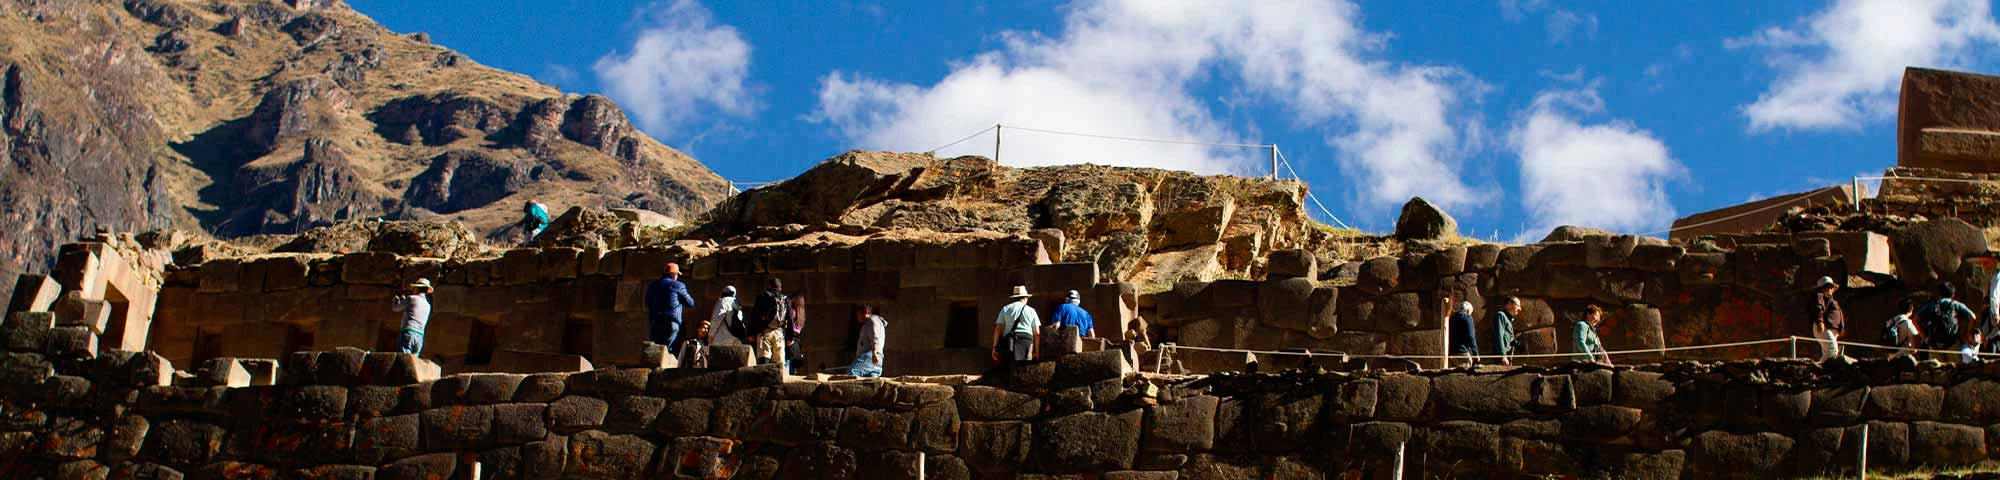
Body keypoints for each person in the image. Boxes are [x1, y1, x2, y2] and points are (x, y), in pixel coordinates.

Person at [644, 263, 697, 352]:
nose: (677, 277)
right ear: (673, 274)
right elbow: (690, 303)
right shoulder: (678, 285)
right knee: (668, 350)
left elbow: (647, 303)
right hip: (671, 322)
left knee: (655, 351)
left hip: (655, 321)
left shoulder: (653, 285)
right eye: (677, 274)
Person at [1920, 283, 1978, 362]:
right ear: (1953, 294)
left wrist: (1925, 337)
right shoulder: (1955, 304)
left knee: (1936, 367)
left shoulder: (1932, 305)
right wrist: (1967, 333)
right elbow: (1973, 317)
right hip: (1952, 343)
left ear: (1940, 293)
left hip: (1934, 344)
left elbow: (1915, 320)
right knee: (1954, 367)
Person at [991, 286, 1042, 366]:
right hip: (1027, 342)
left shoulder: (1005, 309)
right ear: (1025, 298)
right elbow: (1037, 333)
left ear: (1014, 298)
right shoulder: (1031, 311)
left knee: (1009, 367)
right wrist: (1037, 351)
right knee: (1025, 368)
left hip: (1010, 342)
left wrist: (994, 347)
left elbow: (998, 328)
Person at [748, 278, 790, 371]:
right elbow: (789, 318)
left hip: (764, 332)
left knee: (764, 360)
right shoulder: (785, 299)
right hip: (779, 333)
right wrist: (790, 337)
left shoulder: (762, 296)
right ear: (780, 287)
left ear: (769, 286)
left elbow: (754, 316)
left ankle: (765, 378)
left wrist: (751, 333)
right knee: (779, 362)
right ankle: (780, 378)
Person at [391, 278, 433, 355]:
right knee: (413, 361)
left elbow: (395, 308)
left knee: (404, 359)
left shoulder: (411, 298)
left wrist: (395, 301)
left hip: (408, 332)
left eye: (414, 288)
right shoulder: (428, 305)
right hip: (420, 336)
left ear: (417, 288)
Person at [1810, 276, 1846, 361]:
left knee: (1827, 353)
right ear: (1822, 288)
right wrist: (1820, 322)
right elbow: (1818, 307)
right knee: (1832, 350)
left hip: (1831, 329)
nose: (1830, 289)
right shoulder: (1820, 296)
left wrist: (1841, 328)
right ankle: (1826, 366)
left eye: (1831, 287)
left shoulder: (1831, 300)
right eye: (1828, 286)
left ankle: (1821, 366)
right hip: (1824, 327)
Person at [850, 305, 887, 377]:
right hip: (878, 359)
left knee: (851, 374)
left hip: (869, 356)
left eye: (858, 314)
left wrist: (874, 353)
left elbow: (875, 338)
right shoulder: (876, 322)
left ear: (866, 312)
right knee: (870, 381)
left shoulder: (872, 321)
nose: (857, 317)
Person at [1446, 298, 1478, 366]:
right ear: (1468, 310)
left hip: (1450, 353)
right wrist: (1476, 353)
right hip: (1462, 352)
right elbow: (1471, 336)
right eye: (1470, 313)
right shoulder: (1467, 317)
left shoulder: (1450, 319)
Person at [1493, 297, 1522, 366]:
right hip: (1502, 358)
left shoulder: (1508, 319)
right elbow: (1499, 336)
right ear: (1509, 304)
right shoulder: (1501, 315)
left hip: (1507, 356)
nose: (1520, 309)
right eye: (1518, 305)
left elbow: (1507, 338)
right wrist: (1503, 356)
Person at [785, 293, 809, 375]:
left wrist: (789, 338)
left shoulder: (792, 312)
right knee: (792, 365)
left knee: (787, 361)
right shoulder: (801, 314)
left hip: (790, 338)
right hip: (796, 340)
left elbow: (789, 326)